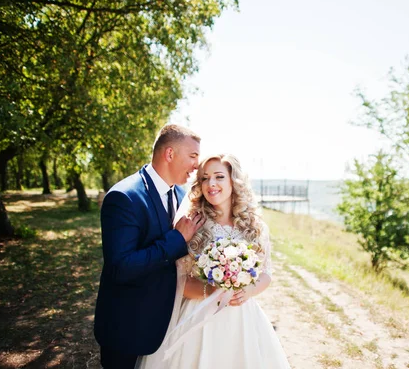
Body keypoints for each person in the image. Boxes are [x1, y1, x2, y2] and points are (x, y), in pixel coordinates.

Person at [136, 154, 290, 368]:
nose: (212, 184)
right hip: (198, 318)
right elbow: (178, 282)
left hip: (241, 318)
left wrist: (249, 291)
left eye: (219, 176)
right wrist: (212, 292)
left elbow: (266, 274)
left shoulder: (255, 226)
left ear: (233, 181)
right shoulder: (192, 224)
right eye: (205, 178)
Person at [94, 124, 206, 369]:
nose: (197, 165)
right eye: (193, 156)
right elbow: (121, 267)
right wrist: (177, 239)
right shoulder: (124, 197)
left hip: (166, 325)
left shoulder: (180, 195)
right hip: (127, 328)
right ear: (169, 154)